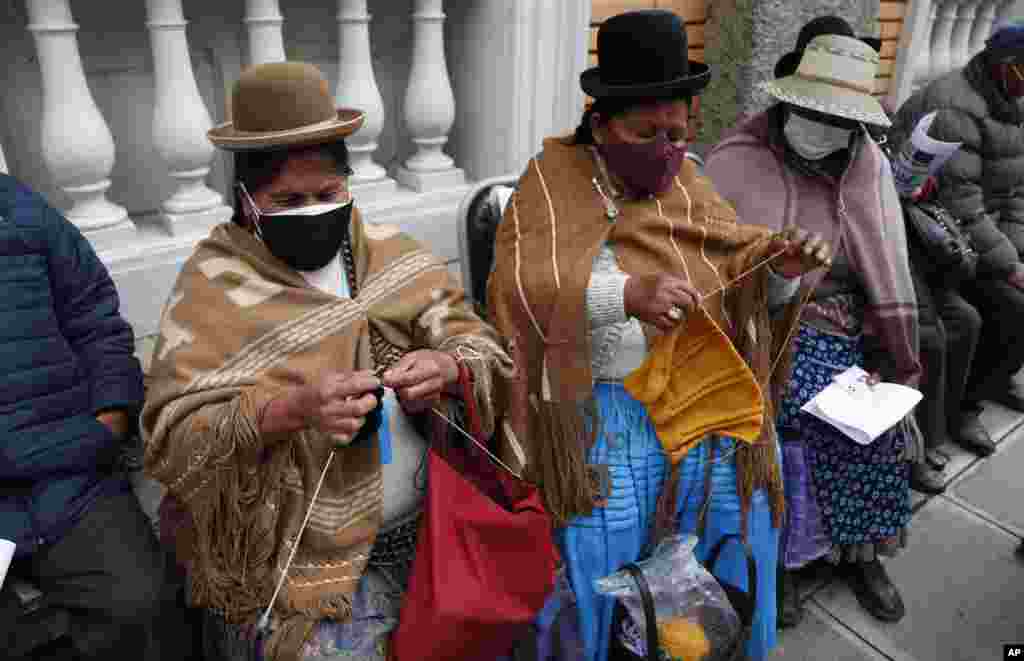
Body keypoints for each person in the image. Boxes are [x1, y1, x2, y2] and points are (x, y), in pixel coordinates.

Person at [141, 62, 513, 661]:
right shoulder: (213, 285)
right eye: (287, 199)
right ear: (246, 200)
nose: (312, 209)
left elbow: (482, 348)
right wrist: (289, 409)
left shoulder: (390, 255)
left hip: (431, 536)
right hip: (297, 568)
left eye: (327, 194)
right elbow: (174, 437)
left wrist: (449, 369)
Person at [487, 11, 830, 661]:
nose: (668, 149)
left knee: (746, 499)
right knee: (598, 539)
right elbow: (517, 291)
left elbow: (741, 265)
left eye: (679, 132)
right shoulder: (551, 185)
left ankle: (725, 643)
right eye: (647, 134)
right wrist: (626, 295)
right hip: (597, 408)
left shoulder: (689, 184)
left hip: (698, 392)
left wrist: (781, 272)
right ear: (600, 124)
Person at [706, 17, 921, 626]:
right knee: (803, 415)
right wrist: (782, 277)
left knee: (874, 416)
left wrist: (887, 351)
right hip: (762, 329)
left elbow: (888, 266)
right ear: (790, 103)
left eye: (840, 121)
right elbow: (714, 276)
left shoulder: (868, 166)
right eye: (816, 114)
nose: (826, 130)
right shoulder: (735, 160)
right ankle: (787, 562)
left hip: (847, 322)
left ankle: (862, 553)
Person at [0, 175, 183, 659]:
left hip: (71, 480)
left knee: (144, 605)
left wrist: (111, 417)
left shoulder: (20, 211)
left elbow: (95, 319)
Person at [891, 19, 1024, 448]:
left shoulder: (1011, 100)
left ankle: (995, 380)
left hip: (984, 231)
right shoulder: (955, 108)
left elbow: (1018, 190)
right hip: (941, 235)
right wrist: (1010, 265)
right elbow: (961, 206)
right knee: (1009, 306)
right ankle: (966, 406)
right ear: (1007, 65)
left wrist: (1017, 251)